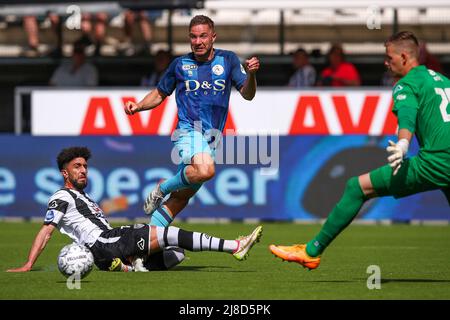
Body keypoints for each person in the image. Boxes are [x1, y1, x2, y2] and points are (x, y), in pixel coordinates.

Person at [269, 31, 450, 270]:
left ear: (404, 57)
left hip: (436, 162)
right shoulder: (443, 80)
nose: (386, 63)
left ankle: (311, 251)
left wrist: (404, 143)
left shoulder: (405, 85)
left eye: (389, 57)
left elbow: (407, 119)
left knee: (357, 187)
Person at [7, 146, 263, 273]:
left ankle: (131, 265)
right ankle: (234, 247)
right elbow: (47, 230)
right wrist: (29, 264)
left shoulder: (82, 197)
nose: (83, 170)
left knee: (176, 254)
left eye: (85, 166)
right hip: (104, 243)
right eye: (77, 166)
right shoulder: (61, 196)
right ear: (65, 172)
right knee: (167, 235)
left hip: (110, 245)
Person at [124, 15, 260, 227]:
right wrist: (139, 106)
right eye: (193, 37)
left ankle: (146, 244)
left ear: (213, 37)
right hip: (188, 131)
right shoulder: (180, 64)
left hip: (212, 138)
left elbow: (248, 94)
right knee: (206, 170)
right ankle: (162, 188)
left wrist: (251, 75)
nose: (198, 42)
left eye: (203, 36)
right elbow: (160, 93)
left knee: (180, 198)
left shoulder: (228, 60)